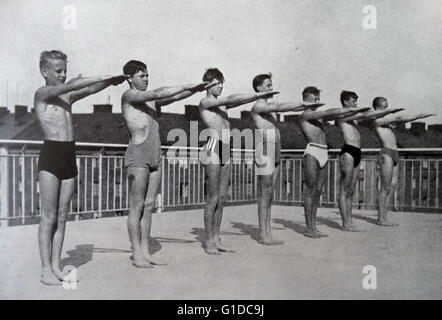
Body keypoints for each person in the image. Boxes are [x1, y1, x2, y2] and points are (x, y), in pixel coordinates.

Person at [35, 50, 127, 285]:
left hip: (68, 153)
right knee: (49, 215)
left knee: (63, 215)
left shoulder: (66, 98)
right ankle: (45, 268)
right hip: (51, 154)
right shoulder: (43, 93)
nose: (64, 75)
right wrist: (105, 75)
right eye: (59, 71)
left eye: (65, 70)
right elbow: (77, 83)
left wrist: (110, 82)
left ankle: (56, 265)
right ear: (45, 72)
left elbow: (87, 89)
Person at [121, 60, 209, 268]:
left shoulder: (151, 101)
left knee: (149, 205)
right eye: (142, 76)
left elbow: (174, 96)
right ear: (130, 78)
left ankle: (145, 251)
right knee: (137, 206)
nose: (146, 79)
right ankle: (136, 253)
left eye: (147, 75)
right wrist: (188, 85)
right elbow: (159, 92)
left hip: (155, 155)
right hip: (138, 154)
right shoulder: (130, 96)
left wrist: (195, 89)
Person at [199, 68, 278, 254]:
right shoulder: (205, 102)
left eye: (222, 83)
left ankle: (217, 237)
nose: (221, 87)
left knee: (223, 197)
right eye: (217, 83)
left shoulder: (222, 106)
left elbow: (234, 100)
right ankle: (209, 240)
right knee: (212, 198)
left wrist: (256, 96)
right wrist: (258, 94)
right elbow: (231, 99)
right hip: (213, 147)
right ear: (208, 84)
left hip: (226, 149)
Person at [251, 76, 323, 245]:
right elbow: (281, 106)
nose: (271, 87)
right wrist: (304, 105)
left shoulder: (267, 110)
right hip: (265, 148)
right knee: (264, 192)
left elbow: (278, 108)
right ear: (259, 88)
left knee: (270, 194)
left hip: (275, 148)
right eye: (268, 85)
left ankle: (267, 231)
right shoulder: (259, 106)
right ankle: (263, 233)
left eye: (272, 84)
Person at [299, 87, 367, 237]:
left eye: (318, 98)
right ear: (305, 99)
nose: (318, 101)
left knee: (318, 192)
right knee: (310, 191)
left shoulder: (318, 118)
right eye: (314, 99)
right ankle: (309, 228)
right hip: (312, 152)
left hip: (324, 152)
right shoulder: (306, 114)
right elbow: (329, 113)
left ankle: (314, 226)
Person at [336, 91, 403, 231]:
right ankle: (345, 223)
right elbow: (367, 115)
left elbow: (368, 118)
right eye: (353, 101)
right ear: (346, 102)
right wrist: (391, 111)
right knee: (344, 190)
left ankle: (349, 221)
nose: (356, 103)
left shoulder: (353, 118)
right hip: (348, 151)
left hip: (357, 151)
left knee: (351, 191)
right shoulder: (342, 115)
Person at [371, 97, 434, 226]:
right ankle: (381, 219)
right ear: (377, 108)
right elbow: (400, 119)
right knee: (385, 187)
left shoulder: (386, 122)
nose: (387, 109)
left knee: (392, 186)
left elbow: (397, 121)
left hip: (395, 153)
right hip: (387, 153)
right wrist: (420, 115)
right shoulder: (377, 120)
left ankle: (384, 217)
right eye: (384, 107)